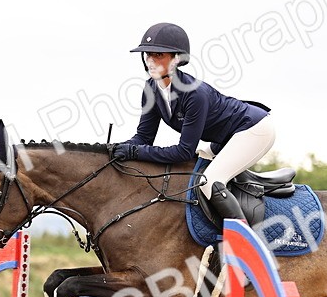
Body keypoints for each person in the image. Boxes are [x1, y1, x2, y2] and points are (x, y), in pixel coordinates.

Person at [110, 22, 275, 222]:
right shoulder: (150, 89)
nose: (150, 61)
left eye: (158, 55)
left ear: (176, 59)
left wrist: (134, 152)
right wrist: (117, 148)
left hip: (254, 130)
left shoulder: (195, 94)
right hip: (225, 138)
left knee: (209, 181)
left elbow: (183, 151)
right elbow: (144, 137)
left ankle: (245, 242)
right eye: (147, 54)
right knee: (192, 169)